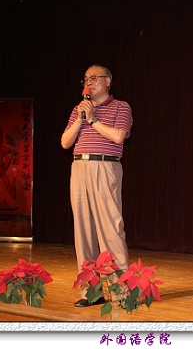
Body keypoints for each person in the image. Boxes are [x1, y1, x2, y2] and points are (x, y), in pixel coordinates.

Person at [61, 64, 133, 307]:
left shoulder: (121, 107)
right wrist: (81, 118)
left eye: (94, 78)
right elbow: (65, 142)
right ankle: (90, 292)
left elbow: (118, 136)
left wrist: (92, 120)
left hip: (105, 166)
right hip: (79, 167)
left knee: (111, 229)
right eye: (86, 79)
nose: (89, 82)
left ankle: (121, 291)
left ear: (108, 81)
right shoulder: (78, 109)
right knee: (83, 232)